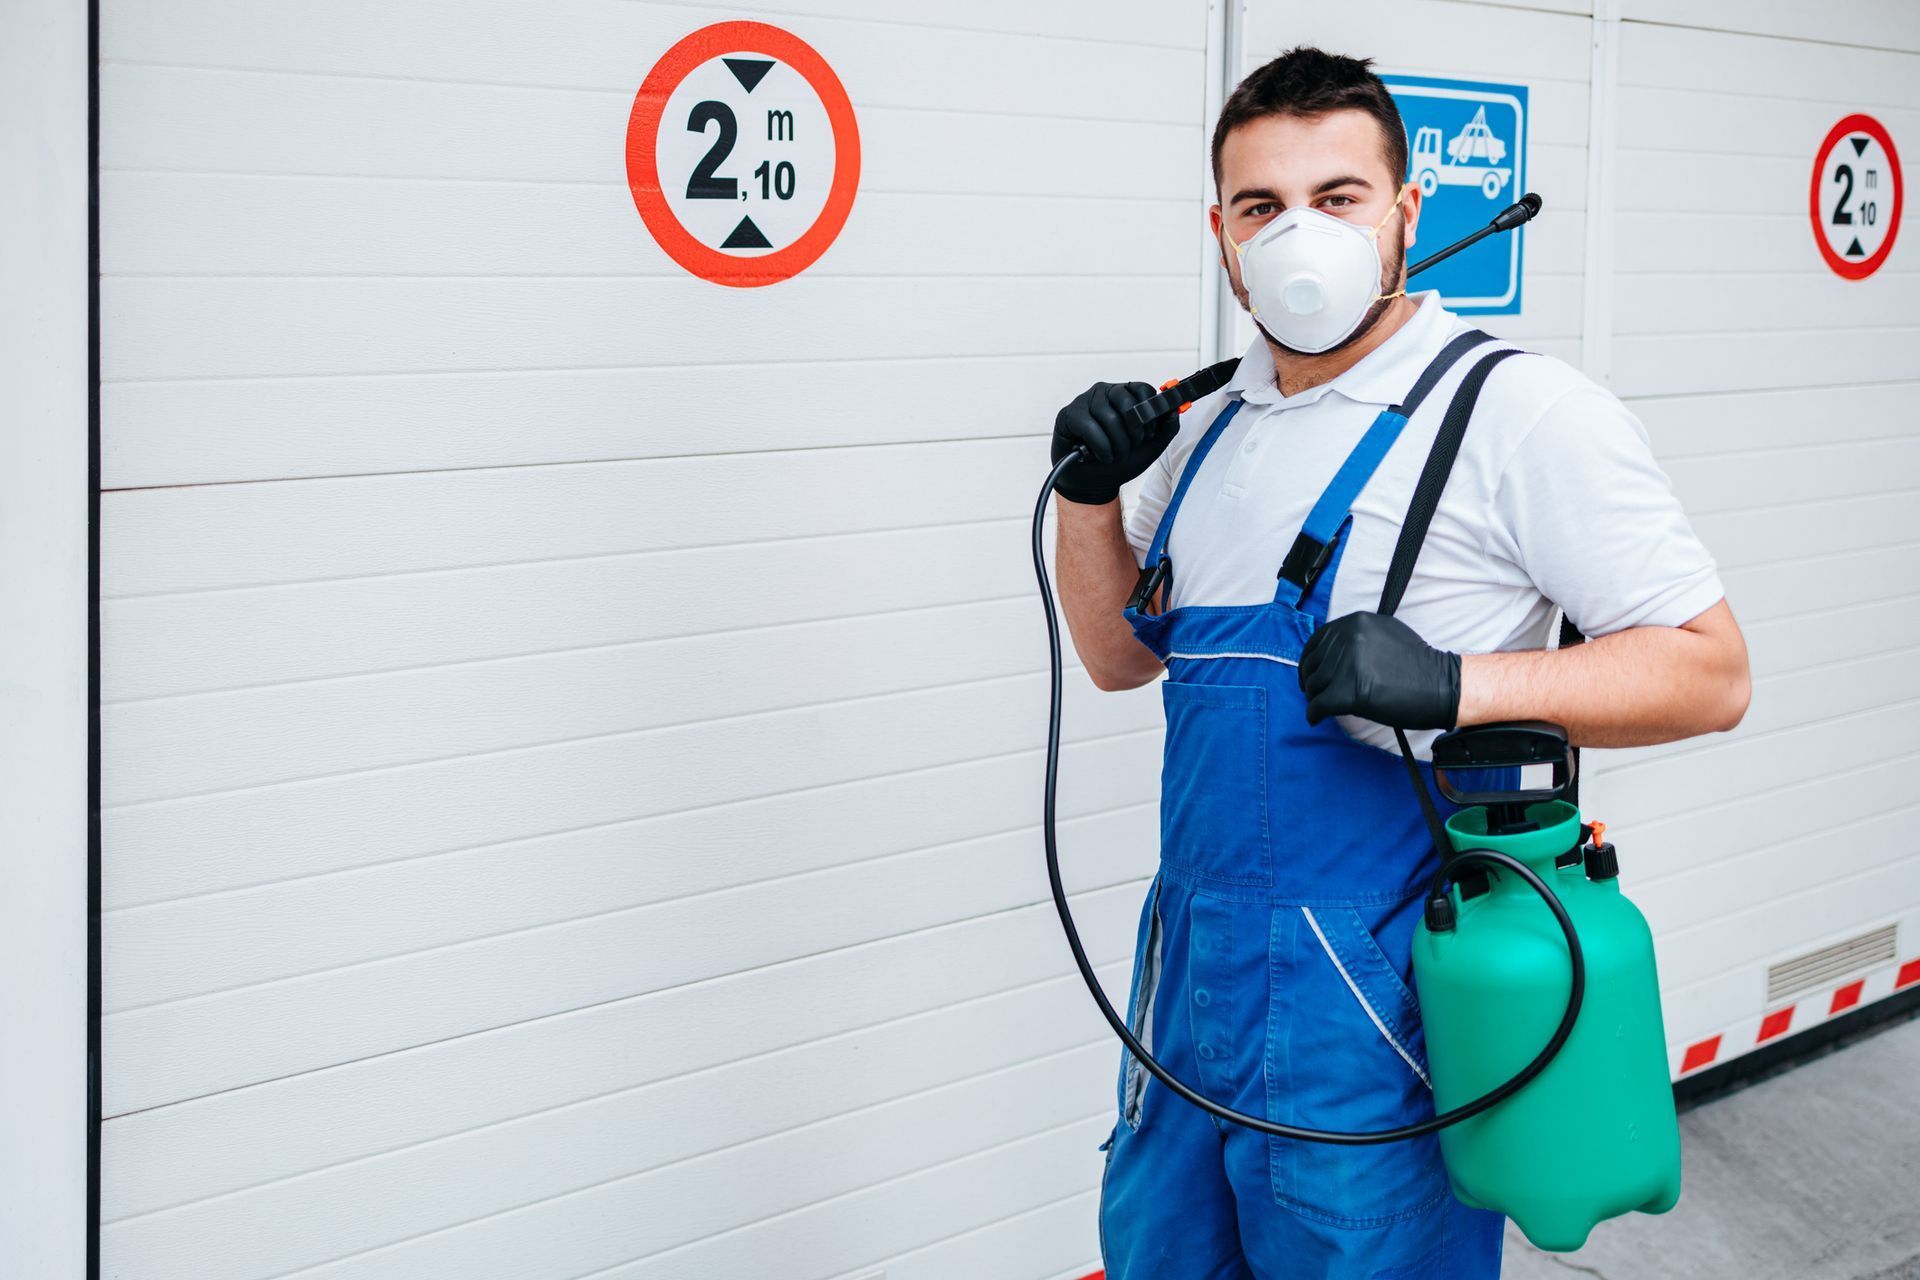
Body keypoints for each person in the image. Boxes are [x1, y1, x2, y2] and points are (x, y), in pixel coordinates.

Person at [1048, 46, 1752, 1280]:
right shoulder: (1203, 432)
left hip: (1373, 1022)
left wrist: (1459, 685)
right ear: (1222, 236)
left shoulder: (1521, 413)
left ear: (1407, 213)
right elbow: (1114, 659)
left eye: (1339, 197)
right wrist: (1091, 501)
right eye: (1262, 207)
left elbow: (1710, 671)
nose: (1297, 234)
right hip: (1188, 1002)